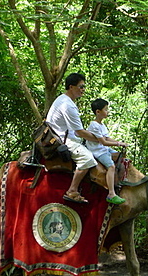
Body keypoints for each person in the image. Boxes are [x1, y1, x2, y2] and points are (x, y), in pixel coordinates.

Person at [46, 73, 99, 204]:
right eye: (81, 87)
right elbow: (80, 132)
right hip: (61, 140)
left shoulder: (63, 100)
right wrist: (100, 139)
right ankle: (72, 190)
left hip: (59, 135)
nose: (83, 90)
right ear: (71, 87)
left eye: (84, 87)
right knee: (87, 159)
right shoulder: (68, 105)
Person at [86, 98, 128, 205]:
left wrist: (119, 142)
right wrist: (118, 144)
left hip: (104, 148)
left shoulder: (102, 125)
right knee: (111, 166)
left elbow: (108, 139)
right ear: (98, 112)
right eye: (105, 109)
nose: (107, 112)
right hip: (98, 150)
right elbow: (103, 142)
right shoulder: (94, 125)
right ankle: (111, 193)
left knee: (119, 156)